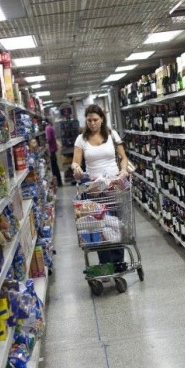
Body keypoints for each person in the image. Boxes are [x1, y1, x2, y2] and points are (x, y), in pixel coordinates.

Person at [71, 104, 130, 266]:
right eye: (89, 120)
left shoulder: (112, 135)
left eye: (95, 119)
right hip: (95, 190)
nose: (92, 123)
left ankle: (118, 263)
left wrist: (123, 170)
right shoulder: (81, 139)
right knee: (100, 226)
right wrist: (76, 168)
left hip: (115, 187)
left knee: (117, 226)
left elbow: (123, 157)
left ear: (102, 119)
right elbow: (75, 162)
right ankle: (106, 264)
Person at [45, 118, 63, 186]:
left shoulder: (48, 128)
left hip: (51, 151)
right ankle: (59, 182)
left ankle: (58, 182)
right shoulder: (51, 128)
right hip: (53, 151)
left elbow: (48, 138)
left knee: (54, 168)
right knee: (55, 167)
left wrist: (45, 144)